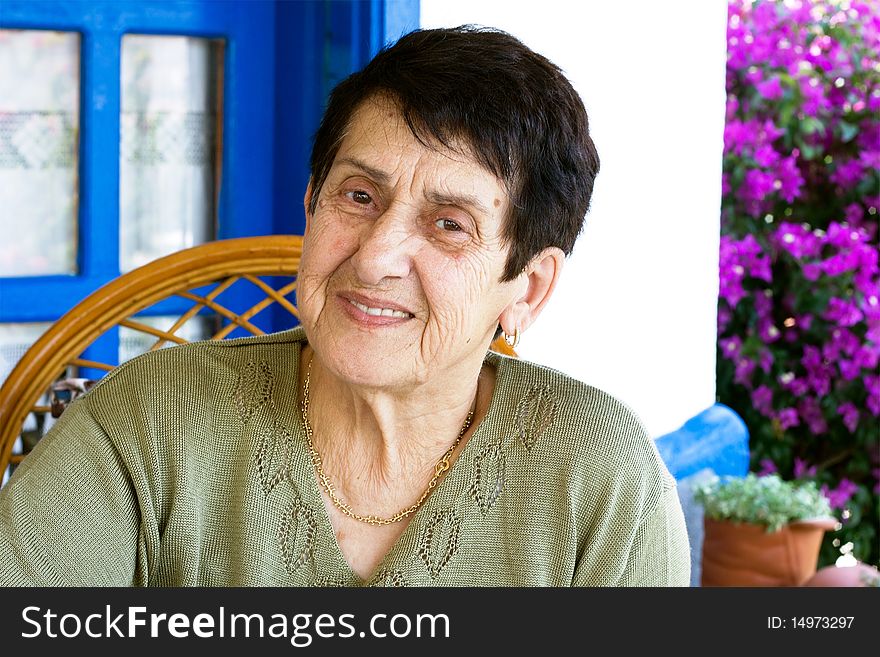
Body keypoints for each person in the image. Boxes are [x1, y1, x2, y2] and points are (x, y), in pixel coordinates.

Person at [0, 26, 690, 586]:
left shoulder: (603, 478)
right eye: (359, 196)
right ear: (311, 204)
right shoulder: (148, 421)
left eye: (450, 224)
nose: (375, 255)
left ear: (528, 288)